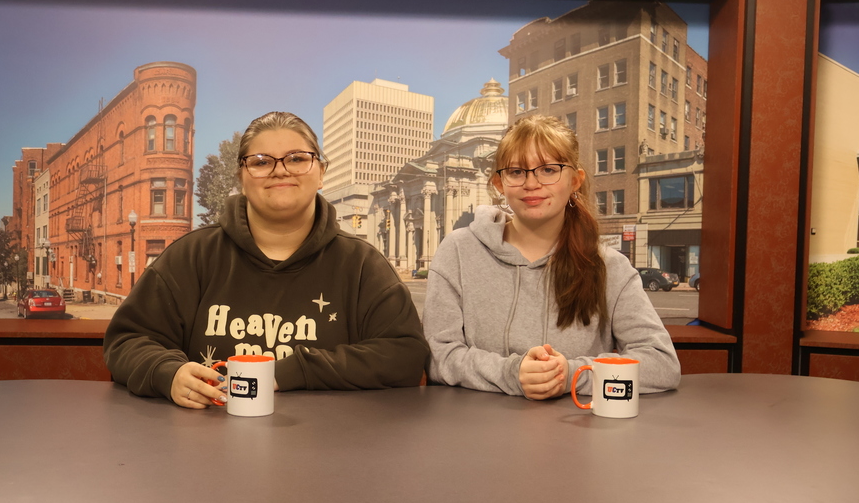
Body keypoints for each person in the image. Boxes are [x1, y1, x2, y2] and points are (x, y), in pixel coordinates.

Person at [104, 111, 428, 408]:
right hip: (207, 448)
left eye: (297, 158)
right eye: (261, 162)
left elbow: (404, 355)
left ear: (321, 173)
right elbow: (128, 340)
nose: (280, 170)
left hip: (330, 450)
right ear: (241, 177)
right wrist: (166, 373)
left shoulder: (362, 265)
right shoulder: (191, 256)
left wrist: (292, 371)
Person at [424, 115, 680, 399]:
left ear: (575, 181)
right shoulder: (458, 250)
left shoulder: (609, 266)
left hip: (577, 434)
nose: (532, 183)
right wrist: (511, 373)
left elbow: (661, 362)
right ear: (499, 183)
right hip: (473, 432)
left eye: (548, 169)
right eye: (517, 172)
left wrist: (569, 374)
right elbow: (439, 356)